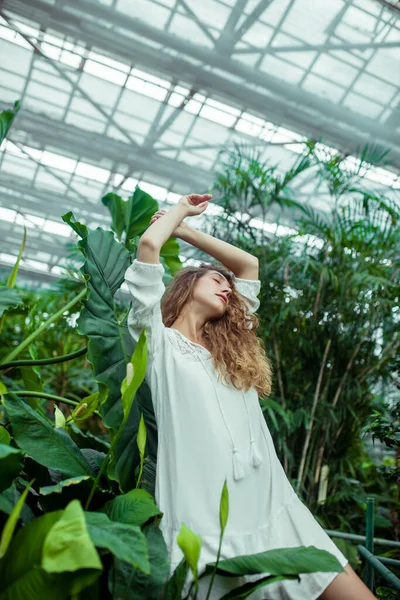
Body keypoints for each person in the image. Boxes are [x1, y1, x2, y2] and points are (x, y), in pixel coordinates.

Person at [123, 193, 377, 600]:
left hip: (271, 504)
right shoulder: (158, 345)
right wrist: (179, 212)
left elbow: (249, 266)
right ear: (187, 286)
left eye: (228, 285)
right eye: (216, 280)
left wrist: (189, 232)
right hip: (202, 522)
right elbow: (149, 247)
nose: (227, 288)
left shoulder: (230, 352)